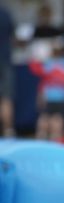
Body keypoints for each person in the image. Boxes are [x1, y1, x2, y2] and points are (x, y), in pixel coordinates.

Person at [0, 5, 15, 137]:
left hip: (4, 59)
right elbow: (12, 34)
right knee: (6, 97)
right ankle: (8, 130)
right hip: (4, 59)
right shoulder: (5, 14)